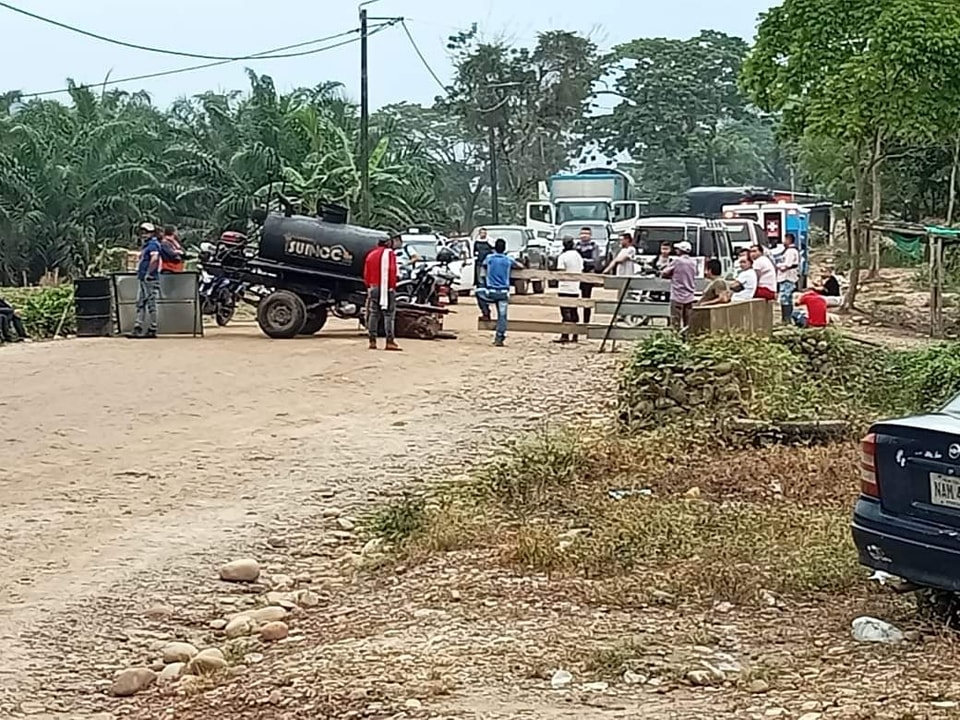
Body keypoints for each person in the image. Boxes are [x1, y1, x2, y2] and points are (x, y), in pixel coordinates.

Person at [477, 237, 523, 347]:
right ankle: (500, 337)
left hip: (491, 291)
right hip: (503, 292)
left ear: (494, 248)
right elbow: (520, 266)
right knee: (502, 316)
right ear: (504, 248)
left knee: (478, 292)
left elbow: (483, 264)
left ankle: (486, 312)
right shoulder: (508, 259)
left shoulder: (490, 258)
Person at [364, 234, 402, 351]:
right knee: (389, 314)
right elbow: (392, 270)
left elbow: (366, 274)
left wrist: (369, 286)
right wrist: (392, 286)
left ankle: (372, 341)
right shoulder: (389, 254)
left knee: (374, 313)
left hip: (373, 287)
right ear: (388, 244)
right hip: (386, 287)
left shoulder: (371, 255)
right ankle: (389, 341)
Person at [130, 222, 162, 339]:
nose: (144, 234)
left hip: (150, 278)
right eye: (142, 232)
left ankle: (152, 327)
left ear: (152, 233)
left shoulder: (153, 245)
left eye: (146, 232)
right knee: (141, 302)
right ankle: (138, 326)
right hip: (143, 277)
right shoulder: (147, 245)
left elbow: (154, 259)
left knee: (150, 303)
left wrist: (149, 273)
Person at [661, 240, 697, 331]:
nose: (676, 250)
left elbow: (664, 273)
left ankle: (676, 340)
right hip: (689, 296)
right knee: (688, 322)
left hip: (677, 295)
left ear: (681, 250)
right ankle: (687, 339)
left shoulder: (677, 261)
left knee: (675, 322)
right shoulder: (693, 262)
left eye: (677, 249)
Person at [554, 238, 584, 344]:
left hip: (565, 286)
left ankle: (565, 334)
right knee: (574, 310)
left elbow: (561, 271)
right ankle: (575, 334)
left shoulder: (563, 256)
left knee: (565, 312)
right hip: (575, 286)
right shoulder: (578, 256)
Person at [575, 227, 601, 324]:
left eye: (586, 233)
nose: (584, 235)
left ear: (590, 235)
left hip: (588, 275)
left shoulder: (594, 246)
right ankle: (575, 322)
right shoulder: (576, 246)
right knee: (574, 300)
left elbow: (595, 261)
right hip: (576, 275)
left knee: (586, 300)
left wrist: (581, 261)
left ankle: (586, 322)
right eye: (582, 233)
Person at [776, 232, 801, 323]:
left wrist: (778, 266)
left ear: (789, 239)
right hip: (788, 277)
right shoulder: (790, 250)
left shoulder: (791, 251)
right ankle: (787, 318)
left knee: (785, 299)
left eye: (785, 239)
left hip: (787, 277)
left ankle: (786, 319)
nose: (783, 241)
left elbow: (787, 264)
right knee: (787, 298)